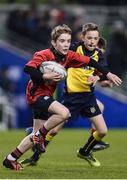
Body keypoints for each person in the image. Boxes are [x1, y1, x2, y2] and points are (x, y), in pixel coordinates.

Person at [3, 24, 122, 170]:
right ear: (54, 42)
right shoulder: (44, 54)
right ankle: (40, 136)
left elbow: (90, 61)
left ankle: (11, 158)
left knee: (34, 136)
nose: (66, 44)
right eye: (62, 41)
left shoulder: (69, 56)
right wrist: (44, 75)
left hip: (47, 95)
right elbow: (27, 68)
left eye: (68, 41)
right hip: (36, 94)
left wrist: (108, 74)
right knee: (64, 113)